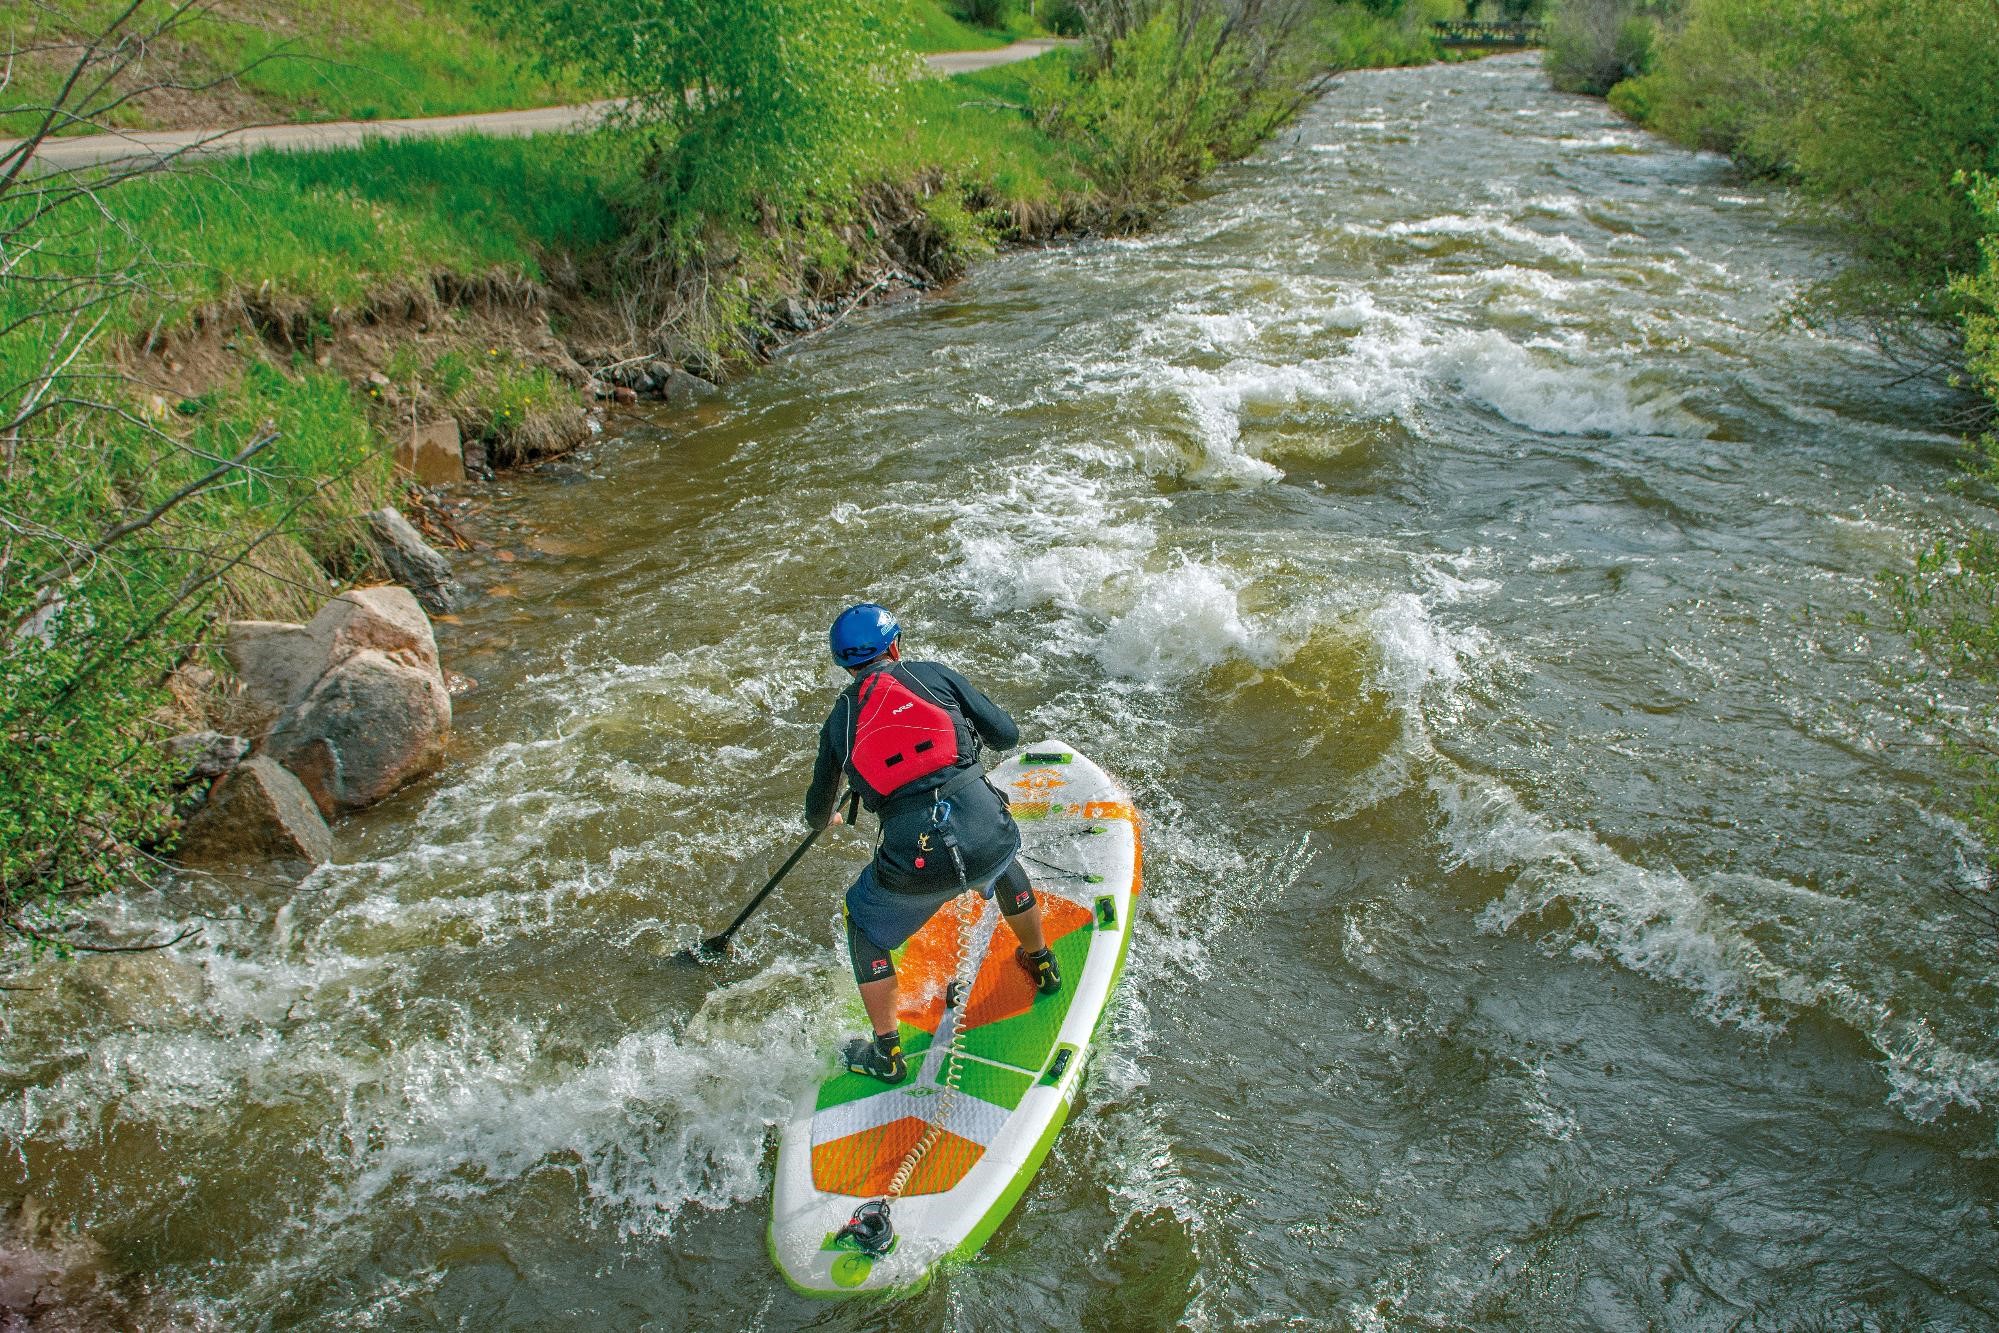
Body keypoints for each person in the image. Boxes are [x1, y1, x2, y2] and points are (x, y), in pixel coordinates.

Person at [806, 603, 1060, 1084]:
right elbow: (1007, 735)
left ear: (844, 664)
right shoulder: (933, 676)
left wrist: (832, 815)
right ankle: (1041, 960)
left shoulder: (839, 723)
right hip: (986, 834)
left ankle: (887, 1052)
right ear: (895, 646)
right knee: (1002, 857)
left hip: (914, 860)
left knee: (863, 922)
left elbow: (817, 815)